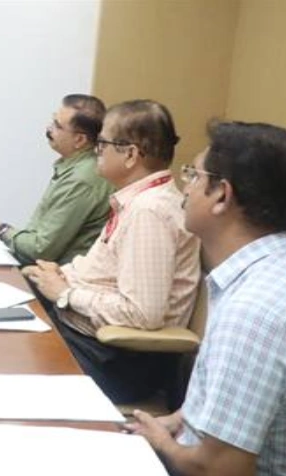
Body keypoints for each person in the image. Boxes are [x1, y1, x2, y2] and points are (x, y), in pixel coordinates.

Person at [127, 122, 286, 475]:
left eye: (194, 176)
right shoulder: (276, 272)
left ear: (222, 195)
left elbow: (217, 469)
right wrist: (178, 420)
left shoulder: (256, 311)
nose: (185, 187)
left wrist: (159, 442)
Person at [22, 99, 200, 403]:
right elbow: (103, 272)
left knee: (3, 355)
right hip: (91, 343)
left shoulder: (149, 212)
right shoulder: (135, 201)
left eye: (102, 143)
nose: (96, 150)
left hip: (115, 361)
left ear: (130, 154)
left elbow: (142, 314)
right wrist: (60, 274)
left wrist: (66, 293)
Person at [0, 94, 113, 265]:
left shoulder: (80, 180)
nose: (49, 129)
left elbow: (41, 250)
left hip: (54, 274)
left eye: (57, 126)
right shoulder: (76, 167)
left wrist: (1, 230)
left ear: (79, 140)